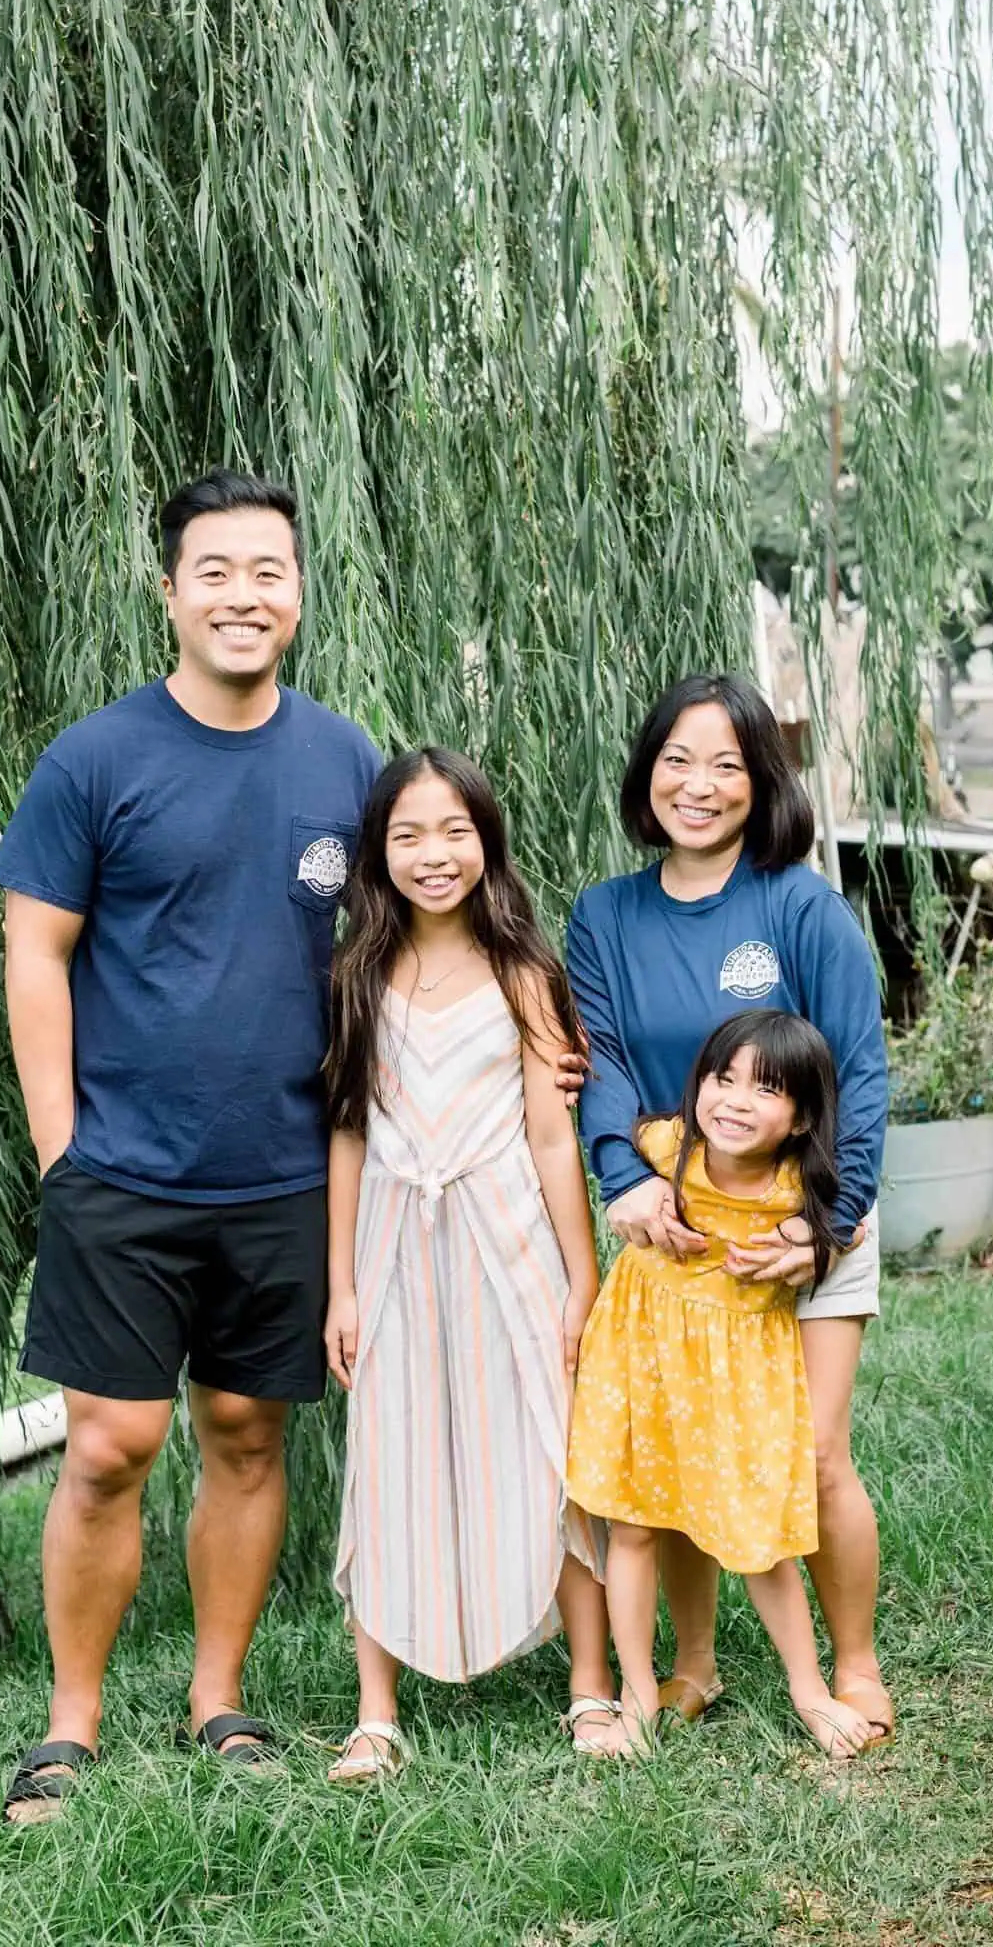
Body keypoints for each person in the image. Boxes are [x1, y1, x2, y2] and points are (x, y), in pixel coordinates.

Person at [0, 468, 383, 1825]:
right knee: (109, 1445)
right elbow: (35, 955)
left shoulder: (344, 761)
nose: (242, 595)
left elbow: (403, 943)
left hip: (285, 1170)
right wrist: (61, 1150)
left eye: (267, 571)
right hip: (123, 1171)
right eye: (214, 571)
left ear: (298, 593)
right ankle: (71, 1722)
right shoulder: (95, 761)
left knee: (246, 1433)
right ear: (169, 592)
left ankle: (219, 1698)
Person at [566, 673, 893, 1746]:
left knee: (812, 1451)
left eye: (726, 764)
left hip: (810, 1213)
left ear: (762, 782)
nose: (697, 785)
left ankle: (853, 1663)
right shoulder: (605, 915)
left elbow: (858, 1069)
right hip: (681, 1219)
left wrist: (825, 1223)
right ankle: (694, 1663)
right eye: (677, 760)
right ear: (646, 772)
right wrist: (623, 1177)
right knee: (678, 1451)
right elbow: (602, 1061)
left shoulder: (798, 905)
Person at [322, 749, 613, 1780]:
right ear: (379, 852)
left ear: (486, 840)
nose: (433, 854)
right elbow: (347, 1132)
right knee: (388, 1452)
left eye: (454, 830)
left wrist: (581, 1276)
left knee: (544, 1445)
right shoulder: (357, 975)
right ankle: (376, 1712)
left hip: (507, 1234)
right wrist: (342, 1284)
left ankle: (590, 1684)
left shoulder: (523, 972)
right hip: (395, 1241)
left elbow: (550, 1136)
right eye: (407, 835)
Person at [568, 1011, 876, 1760]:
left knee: (759, 1533)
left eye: (765, 1089)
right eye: (722, 1078)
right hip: (642, 1362)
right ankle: (638, 1698)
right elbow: (602, 1136)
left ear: (802, 1118)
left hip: (740, 1383)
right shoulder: (666, 1151)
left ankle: (811, 1690)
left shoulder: (800, 1189)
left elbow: (851, 1226)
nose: (735, 1101)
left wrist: (824, 1233)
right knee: (634, 1525)